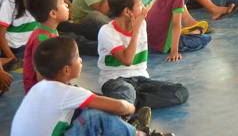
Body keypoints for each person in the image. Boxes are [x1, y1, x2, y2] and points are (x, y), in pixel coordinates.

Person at [11, 36, 167, 136]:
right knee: (93, 118)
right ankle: (141, 134)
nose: (81, 61)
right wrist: (130, 108)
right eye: (78, 58)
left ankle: (125, 127)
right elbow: (121, 106)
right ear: (66, 69)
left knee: (85, 107)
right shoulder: (66, 93)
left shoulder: (38, 88)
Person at [98, 0, 189, 110]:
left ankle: (130, 103)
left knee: (180, 92)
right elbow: (127, 60)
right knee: (126, 90)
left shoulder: (141, 23)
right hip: (114, 80)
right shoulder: (107, 31)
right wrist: (135, 30)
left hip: (140, 79)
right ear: (127, 12)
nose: (144, 9)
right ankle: (127, 105)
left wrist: (137, 26)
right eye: (140, 4)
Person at [146, 0, 211, 60]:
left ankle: (192, 32)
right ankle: (195, 32)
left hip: (151, 43)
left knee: (194, 32)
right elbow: (176, 24)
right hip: (164, 45)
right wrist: (174, 52)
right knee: (205, 39)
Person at [22, 0, 69, 92]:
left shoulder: (48, 30)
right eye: (62, 3)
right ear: (53, 13)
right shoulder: (42, 39)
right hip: (41, 92)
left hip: (51, 84)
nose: (66, 4)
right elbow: (41, 76)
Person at [0, 0, 41, 64]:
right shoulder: (11, 3)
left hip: (34, 43)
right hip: (17, 48)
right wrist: (12, 58)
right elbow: (0, 35)